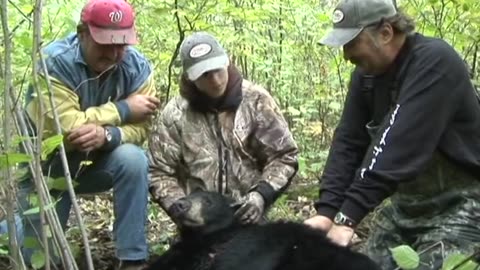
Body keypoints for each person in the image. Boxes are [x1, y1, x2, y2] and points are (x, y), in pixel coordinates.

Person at [304, 0, 480, 269]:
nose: (346, 55)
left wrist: (347, 218)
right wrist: (327, 211)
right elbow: (348, 143)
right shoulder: (366, 76)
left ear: (385, 32)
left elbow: (399, 144)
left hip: (463, 206)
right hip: (406, 208)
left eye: (352, 43)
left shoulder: (434, 62)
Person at [18, 0, 160, 269]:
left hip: (100, 163)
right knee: (43, 260)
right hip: (48, 168)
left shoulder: (137, 67)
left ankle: (132, 259)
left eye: (122, 43)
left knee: (133, 159)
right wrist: (123, 109)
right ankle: (13, 226)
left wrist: (109, 136)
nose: (115, 53)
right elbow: (66, 129)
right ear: (83, 33)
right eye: (105, 43)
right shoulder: (54, 64)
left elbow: (144, 126)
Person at [147, 32, 298, 225]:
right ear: (190, 77)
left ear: (227, 62)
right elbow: (157, 170)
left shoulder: (256, 101)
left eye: (218, 70)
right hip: (198, 219)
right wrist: (180, 207)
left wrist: (261, 195)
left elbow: (284, 155)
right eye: (205, 75)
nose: (216, 80)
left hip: (249, 214)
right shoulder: (176, 113)